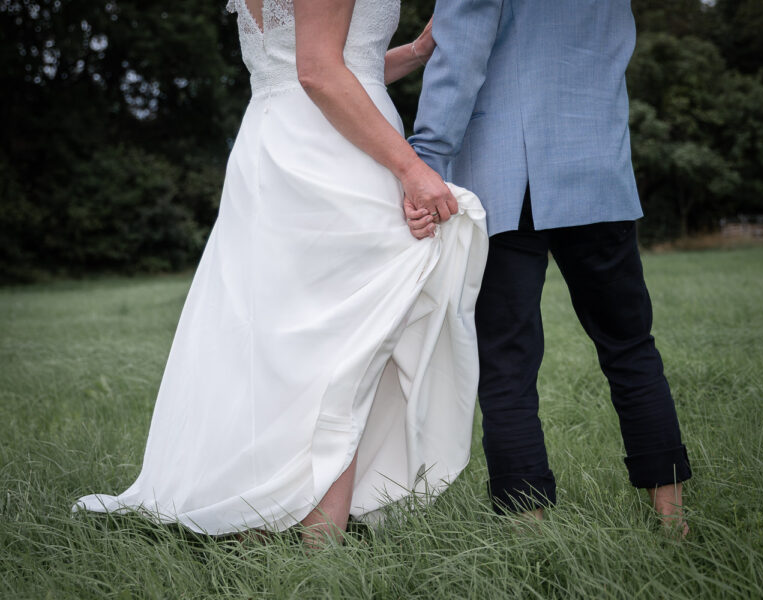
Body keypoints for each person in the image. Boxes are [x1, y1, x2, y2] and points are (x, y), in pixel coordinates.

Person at [73, 0, 488, 547]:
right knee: (346, 336)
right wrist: (412, 168)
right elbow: (317, 71)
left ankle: (261, 515)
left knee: (281, 337)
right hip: (331, 155)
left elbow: (319, 64)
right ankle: (319, 541)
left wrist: (411, 54)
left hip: (277, 142)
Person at [406, 0, 692, 535]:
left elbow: (459, 59)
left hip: (503, 174)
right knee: (630, 345)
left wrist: (424, 163)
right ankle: (674, 522)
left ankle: (529, 535)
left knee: (506, 362)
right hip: (597, 164)